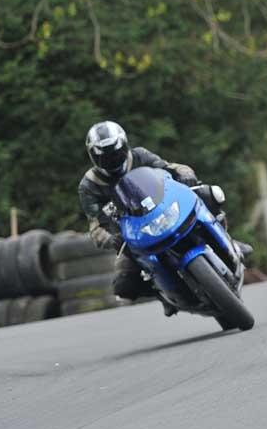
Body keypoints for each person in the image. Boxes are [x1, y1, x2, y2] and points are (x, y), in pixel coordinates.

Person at [78, 121, 250, 315]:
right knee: (124, 286)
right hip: (132, 232)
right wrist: (110, 239)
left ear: (124, 146)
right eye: (106, 158)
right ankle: (164, 294)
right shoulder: (89, 186)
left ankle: (228, 241)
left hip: (164, 209)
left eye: (115, 154)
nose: (112, 160)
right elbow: (95, 226)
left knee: (207, 195)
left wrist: (183, 173)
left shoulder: (139, 155)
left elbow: (167, 167)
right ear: (94, 158)